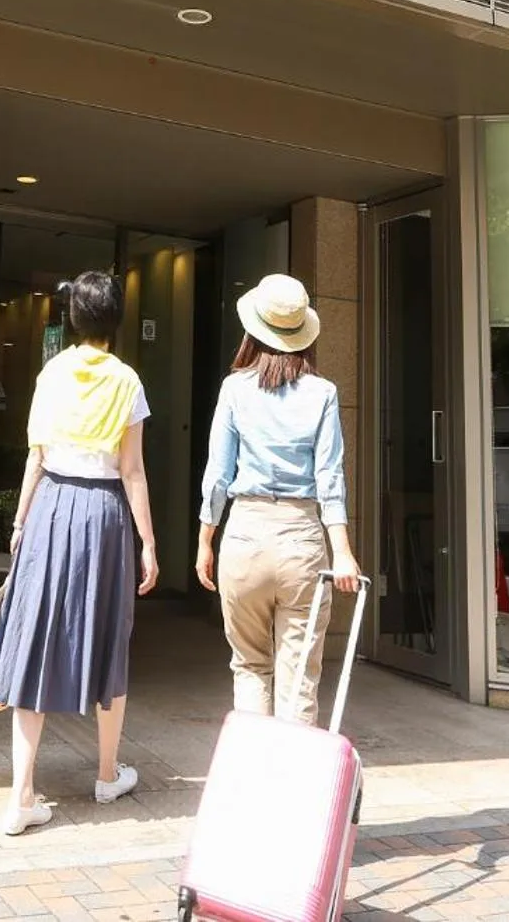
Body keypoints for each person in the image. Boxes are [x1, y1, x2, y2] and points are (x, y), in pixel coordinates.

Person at [0, 270, 159, 836]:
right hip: (104, 515)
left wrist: (18, 520)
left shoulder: (51, 373)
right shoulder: (128, 381)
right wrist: (149, 542)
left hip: (52, 506)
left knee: (31, 640)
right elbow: (132, 471)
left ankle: (20, 798)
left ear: (72, 319)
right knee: (108, 634)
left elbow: (36, 456)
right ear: (115, 321)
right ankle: (107, 774)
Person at [195, 273, 362, 724]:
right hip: (301, 541)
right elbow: (330, 477)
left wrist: (205, 539)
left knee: (249, 667)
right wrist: (342, 552)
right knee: (299, 677)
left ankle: (255, 782)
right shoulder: (323, 393)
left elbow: (218, 471)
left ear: (254, 329)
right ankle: (294, 788)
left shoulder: (234, 388)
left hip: (245, 535)